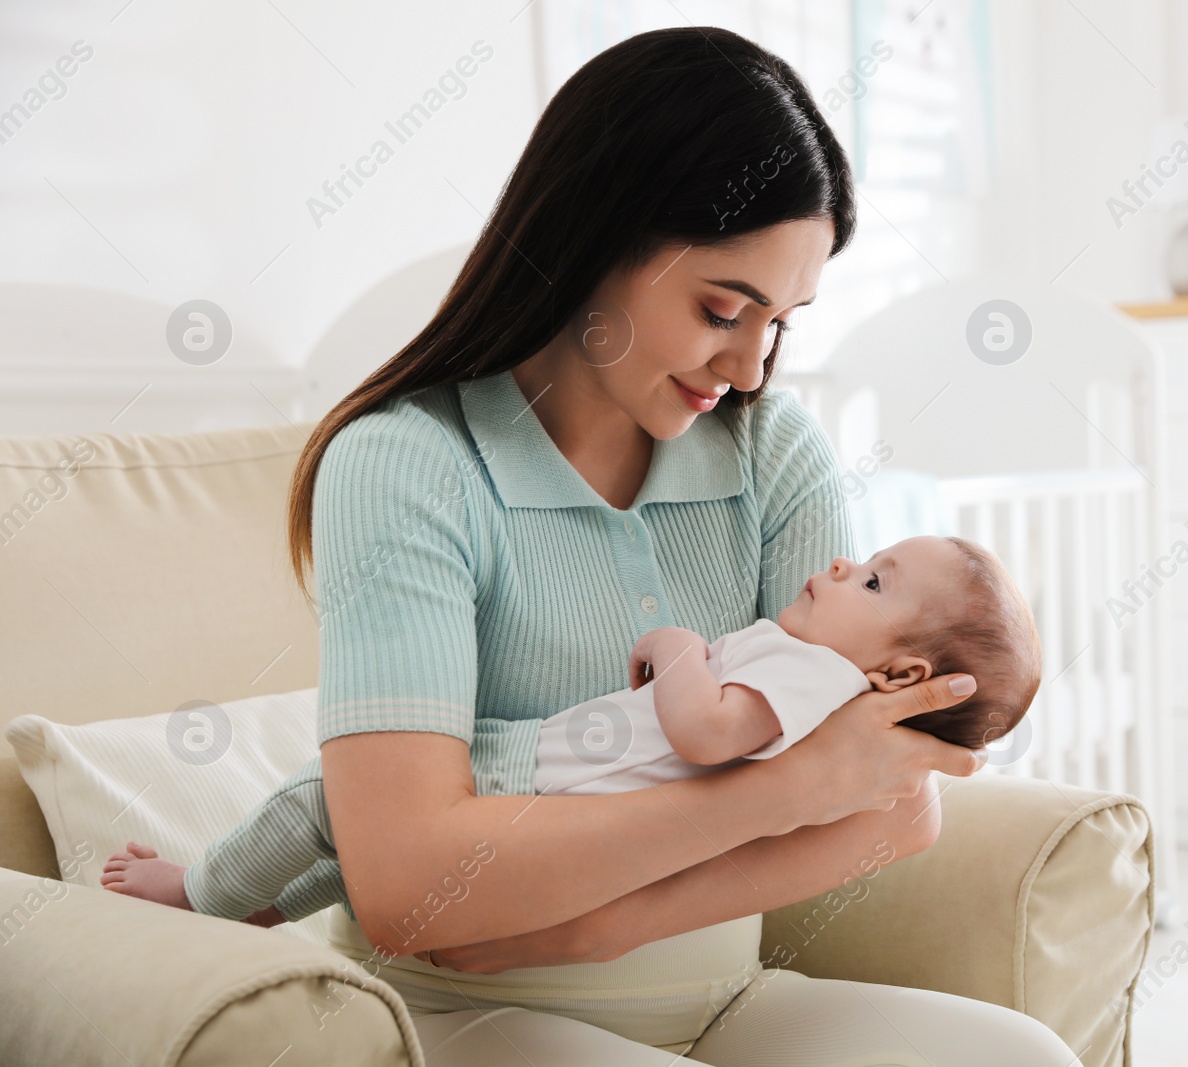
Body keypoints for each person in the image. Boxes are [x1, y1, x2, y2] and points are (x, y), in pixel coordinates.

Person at [120, 24, 1082, 1065]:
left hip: (718, 988)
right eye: (723, 307)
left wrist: (605, 922)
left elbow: (895, 812)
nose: (751, 367)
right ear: (593, 237)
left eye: (781, 322)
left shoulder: (773, 454)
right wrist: (786, 792)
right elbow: (405, 880)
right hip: (467, 1005)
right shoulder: (406, 464)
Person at [101, 534, 1043, 945]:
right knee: (362, 849)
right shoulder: (822, 673)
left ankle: (201, 891)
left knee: (329, 801)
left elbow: (710, 732)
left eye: (875, 582)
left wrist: (677, 647)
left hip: (556, 790)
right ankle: (263, 908)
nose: (844, 565)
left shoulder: (817, 676)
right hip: (559, 774)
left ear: (903, 678)